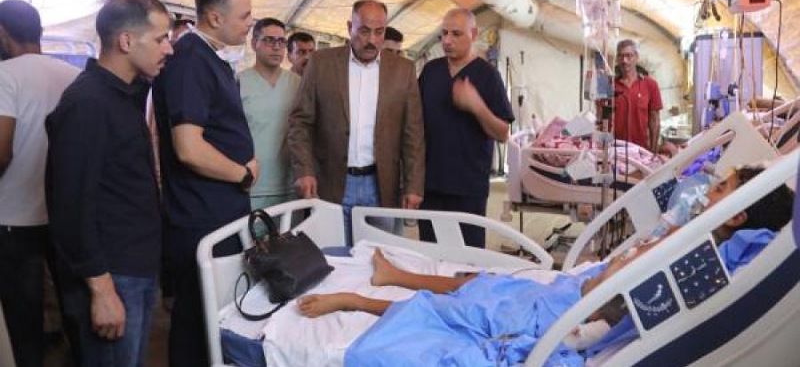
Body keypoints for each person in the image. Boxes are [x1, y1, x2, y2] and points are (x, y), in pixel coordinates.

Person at [297, 164, 793, 365]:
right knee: (481, 283)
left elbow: (611, 298)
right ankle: (391, 277)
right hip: (569, 294)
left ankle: (359, 298)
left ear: (738, 213)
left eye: (721, 189)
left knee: (459, 301)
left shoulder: (698, 255)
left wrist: (655, 242)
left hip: (565, 313)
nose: (706, 192)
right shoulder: (701, 242)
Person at [45, 0, 173, 367]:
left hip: (135, 269)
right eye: (160, 39)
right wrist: (101, 290)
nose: (168, 49)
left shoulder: (125, 95)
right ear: (126, 41)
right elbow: (70, 206)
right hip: (112, 276)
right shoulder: (87, 104)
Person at [152, 0, 257, 367]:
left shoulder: (214, 58)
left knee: (215, 317)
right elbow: (188, 147)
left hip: (220, 214)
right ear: (214, 18)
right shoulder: (191, 61)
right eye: (244, 16)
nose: (250, 23)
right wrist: (242, 174)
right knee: (196, 325)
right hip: (201, 219)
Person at [288, 0, 424, 244]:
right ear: (350, 27)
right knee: (333, 254)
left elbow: (412, 132)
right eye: (364, 31)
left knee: (379, 257)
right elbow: (300, 122)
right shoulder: (321, 63)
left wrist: (413, 185)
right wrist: (304, 170)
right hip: (331, 183)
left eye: (379, 32)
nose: (372, 40)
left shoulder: (403, 70)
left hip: (381, 185)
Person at [0, 0, 79, 367]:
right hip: (62, 211)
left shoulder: (5, 75)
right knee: (72, 301)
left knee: (23, 315)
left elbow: (2, 152)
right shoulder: (72, 75)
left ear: (3, 33)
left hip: (13, 216)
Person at [418, 8, 514, 248]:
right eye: (444, 34)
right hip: (430, 185)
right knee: (430, 255)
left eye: (456, 34)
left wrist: (477, 107)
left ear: (473, 33)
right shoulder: (431, 71)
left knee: (467, 257)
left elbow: (502, 133)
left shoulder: (487, 76)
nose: (447, 41)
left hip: (467, 187)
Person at [239, 17, 300, 210]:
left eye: (281, 41)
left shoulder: (297, 84)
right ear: (254, 43)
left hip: (290, 185)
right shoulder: (238, 83)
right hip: (253, 185)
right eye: (268, 40)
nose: (276, 47)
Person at [613, 39, 663, 152]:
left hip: (641, 151)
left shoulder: (650, 85)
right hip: (616, 152)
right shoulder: (610, 86)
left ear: (636, 57)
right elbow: (602, 118)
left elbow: (655, 120)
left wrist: (653, 151)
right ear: (617, 59)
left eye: (629, 56)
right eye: (621, 56)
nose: (624, 60)